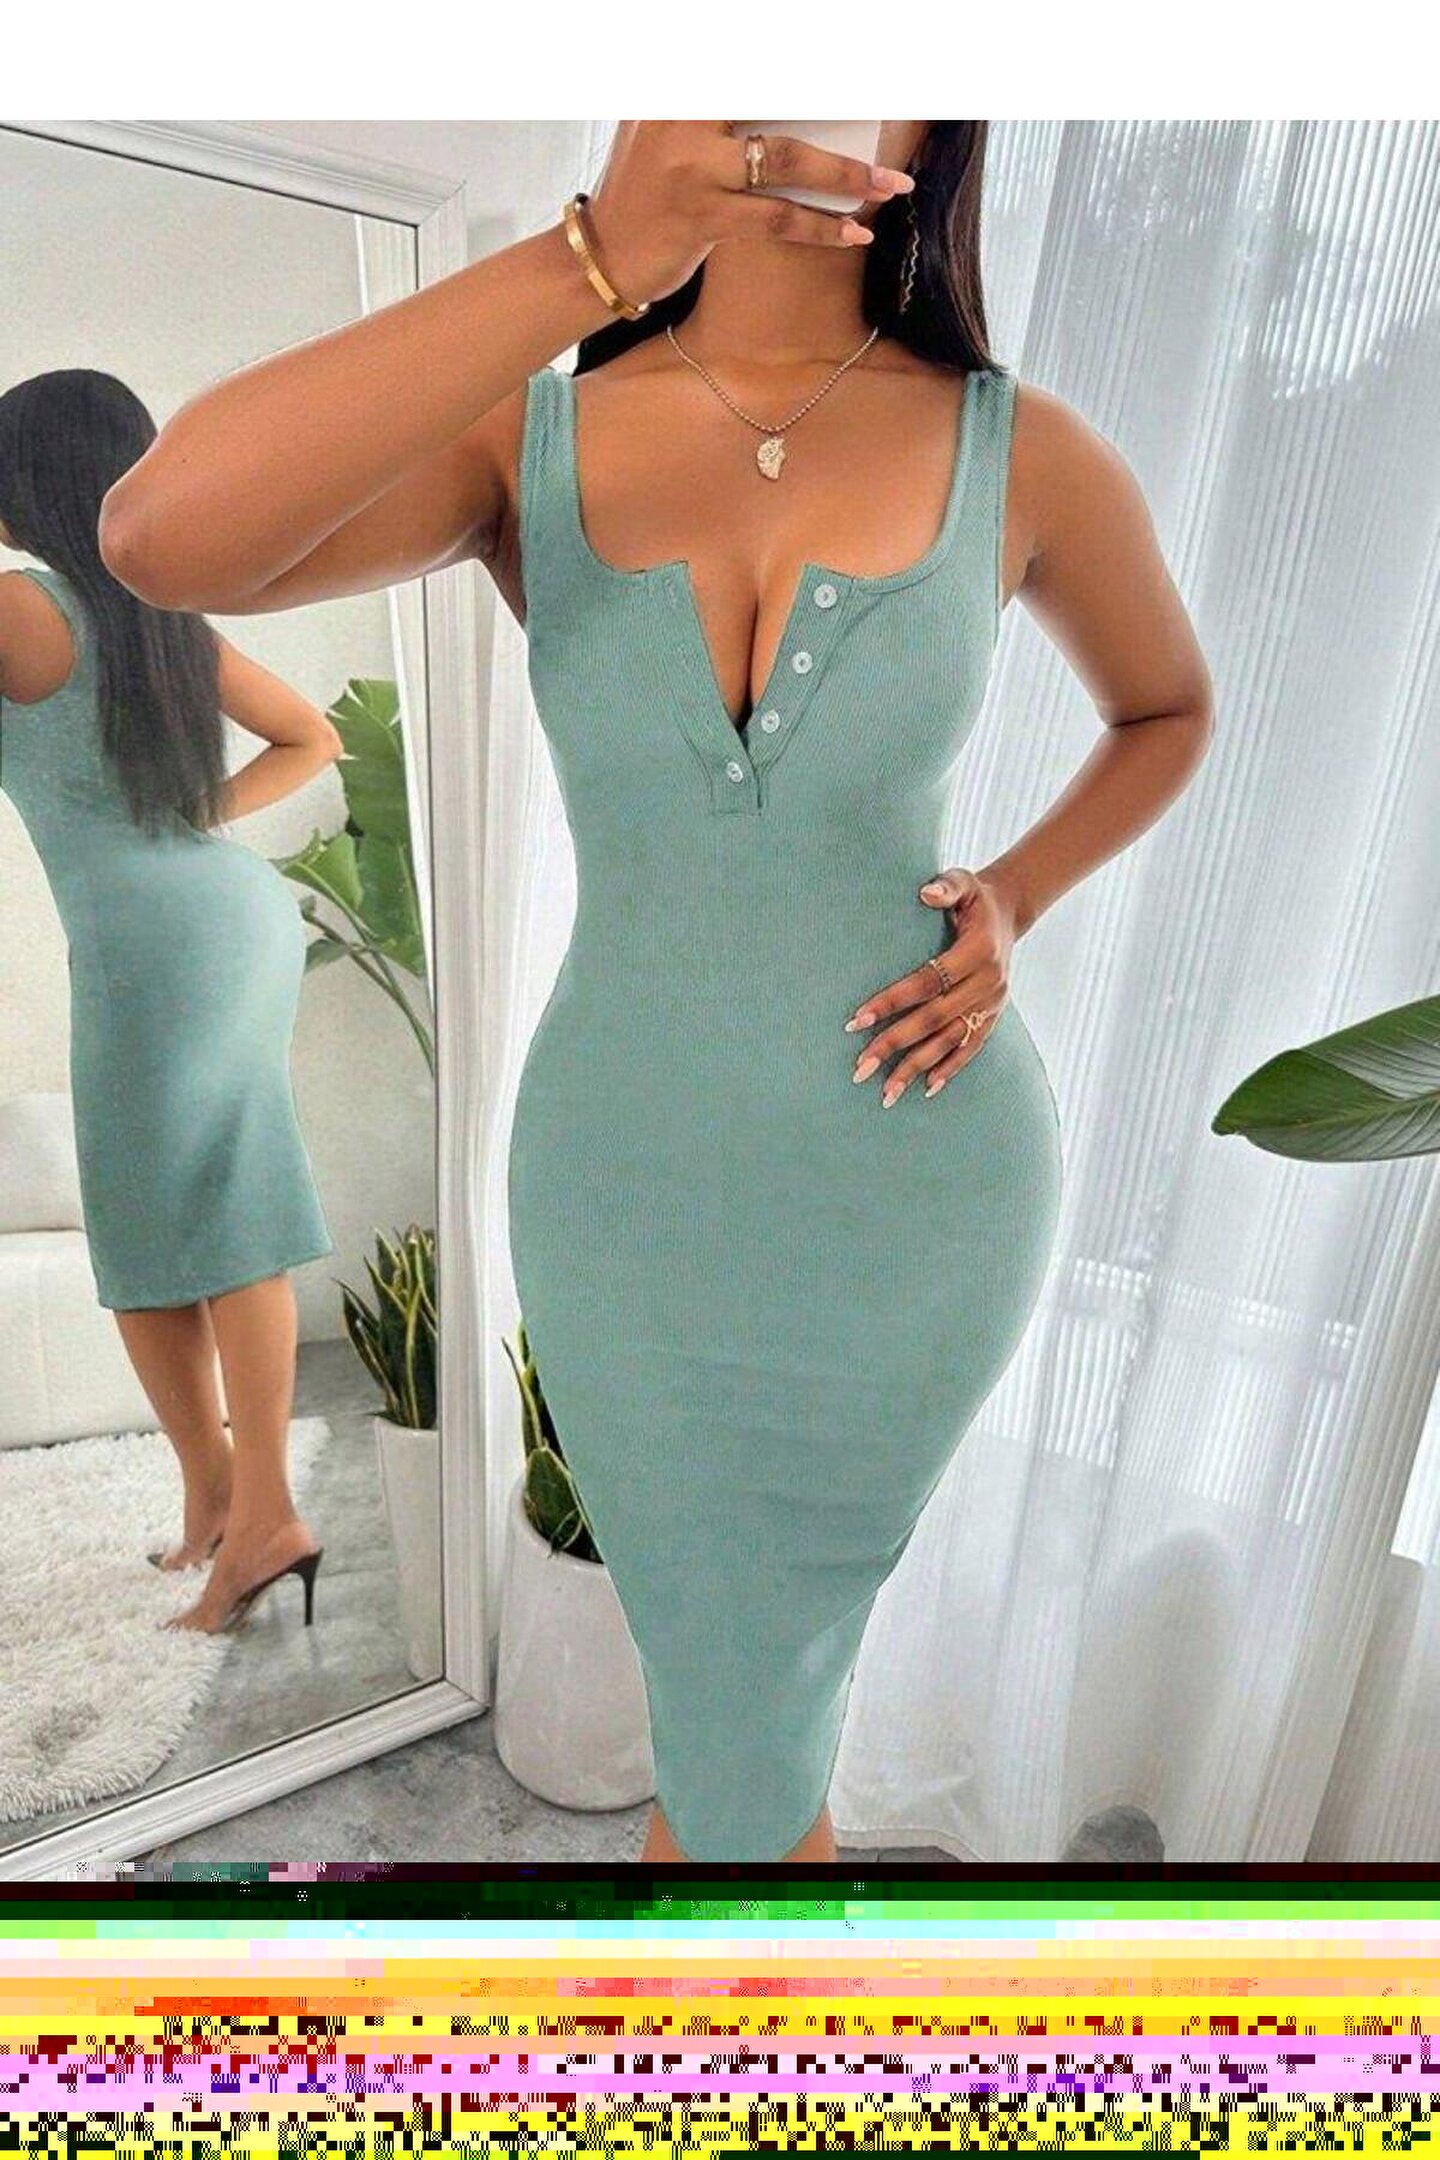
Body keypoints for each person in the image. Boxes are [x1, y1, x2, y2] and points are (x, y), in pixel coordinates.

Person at [96, 123, 1214, 1856]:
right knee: (728, 1712)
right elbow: (161, 537)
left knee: (762, 1716)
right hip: (625, 1197)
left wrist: (1016, 891)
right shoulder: (526, 440)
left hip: (916, 1190)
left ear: (935, 126)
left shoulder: (1026, 451)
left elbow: (1168, 711)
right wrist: (589, 261)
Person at [0, 368, 339, 1635]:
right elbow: (313, 736)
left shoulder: (16, 605)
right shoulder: (159, 617)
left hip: (150, 948)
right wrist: (196, 815)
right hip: (228, 919)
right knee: (171, 1217)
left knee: (184, 1221)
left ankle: (266, 1517)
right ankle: (217, 1500)